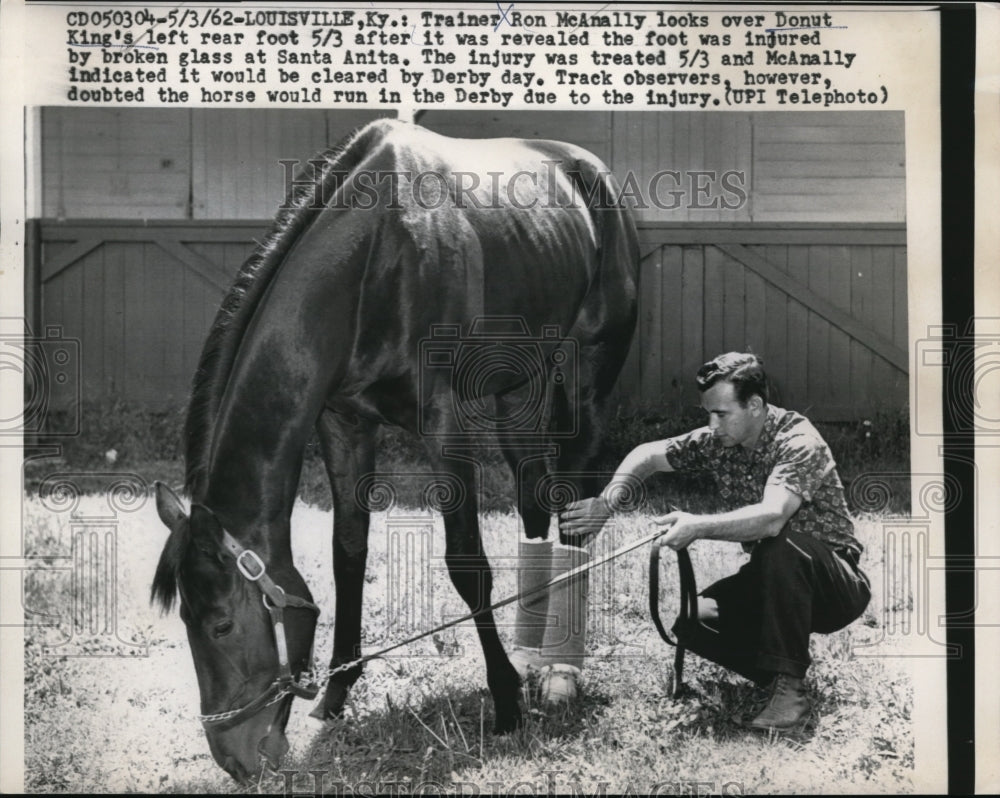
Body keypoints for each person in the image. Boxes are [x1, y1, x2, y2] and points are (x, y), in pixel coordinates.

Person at [559, 352, 871, 730]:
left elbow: (772, 518)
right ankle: (777, 670)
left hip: (834, 587)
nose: (712, 423)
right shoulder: (719, 441)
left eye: (721, 413)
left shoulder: (798, 440)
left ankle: (791, 693)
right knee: (695, 620)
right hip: (775, 580)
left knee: (780, 544)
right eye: (708, 412)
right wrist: (607, 503)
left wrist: (697, 526)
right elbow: (648, 456)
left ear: (754, 405)